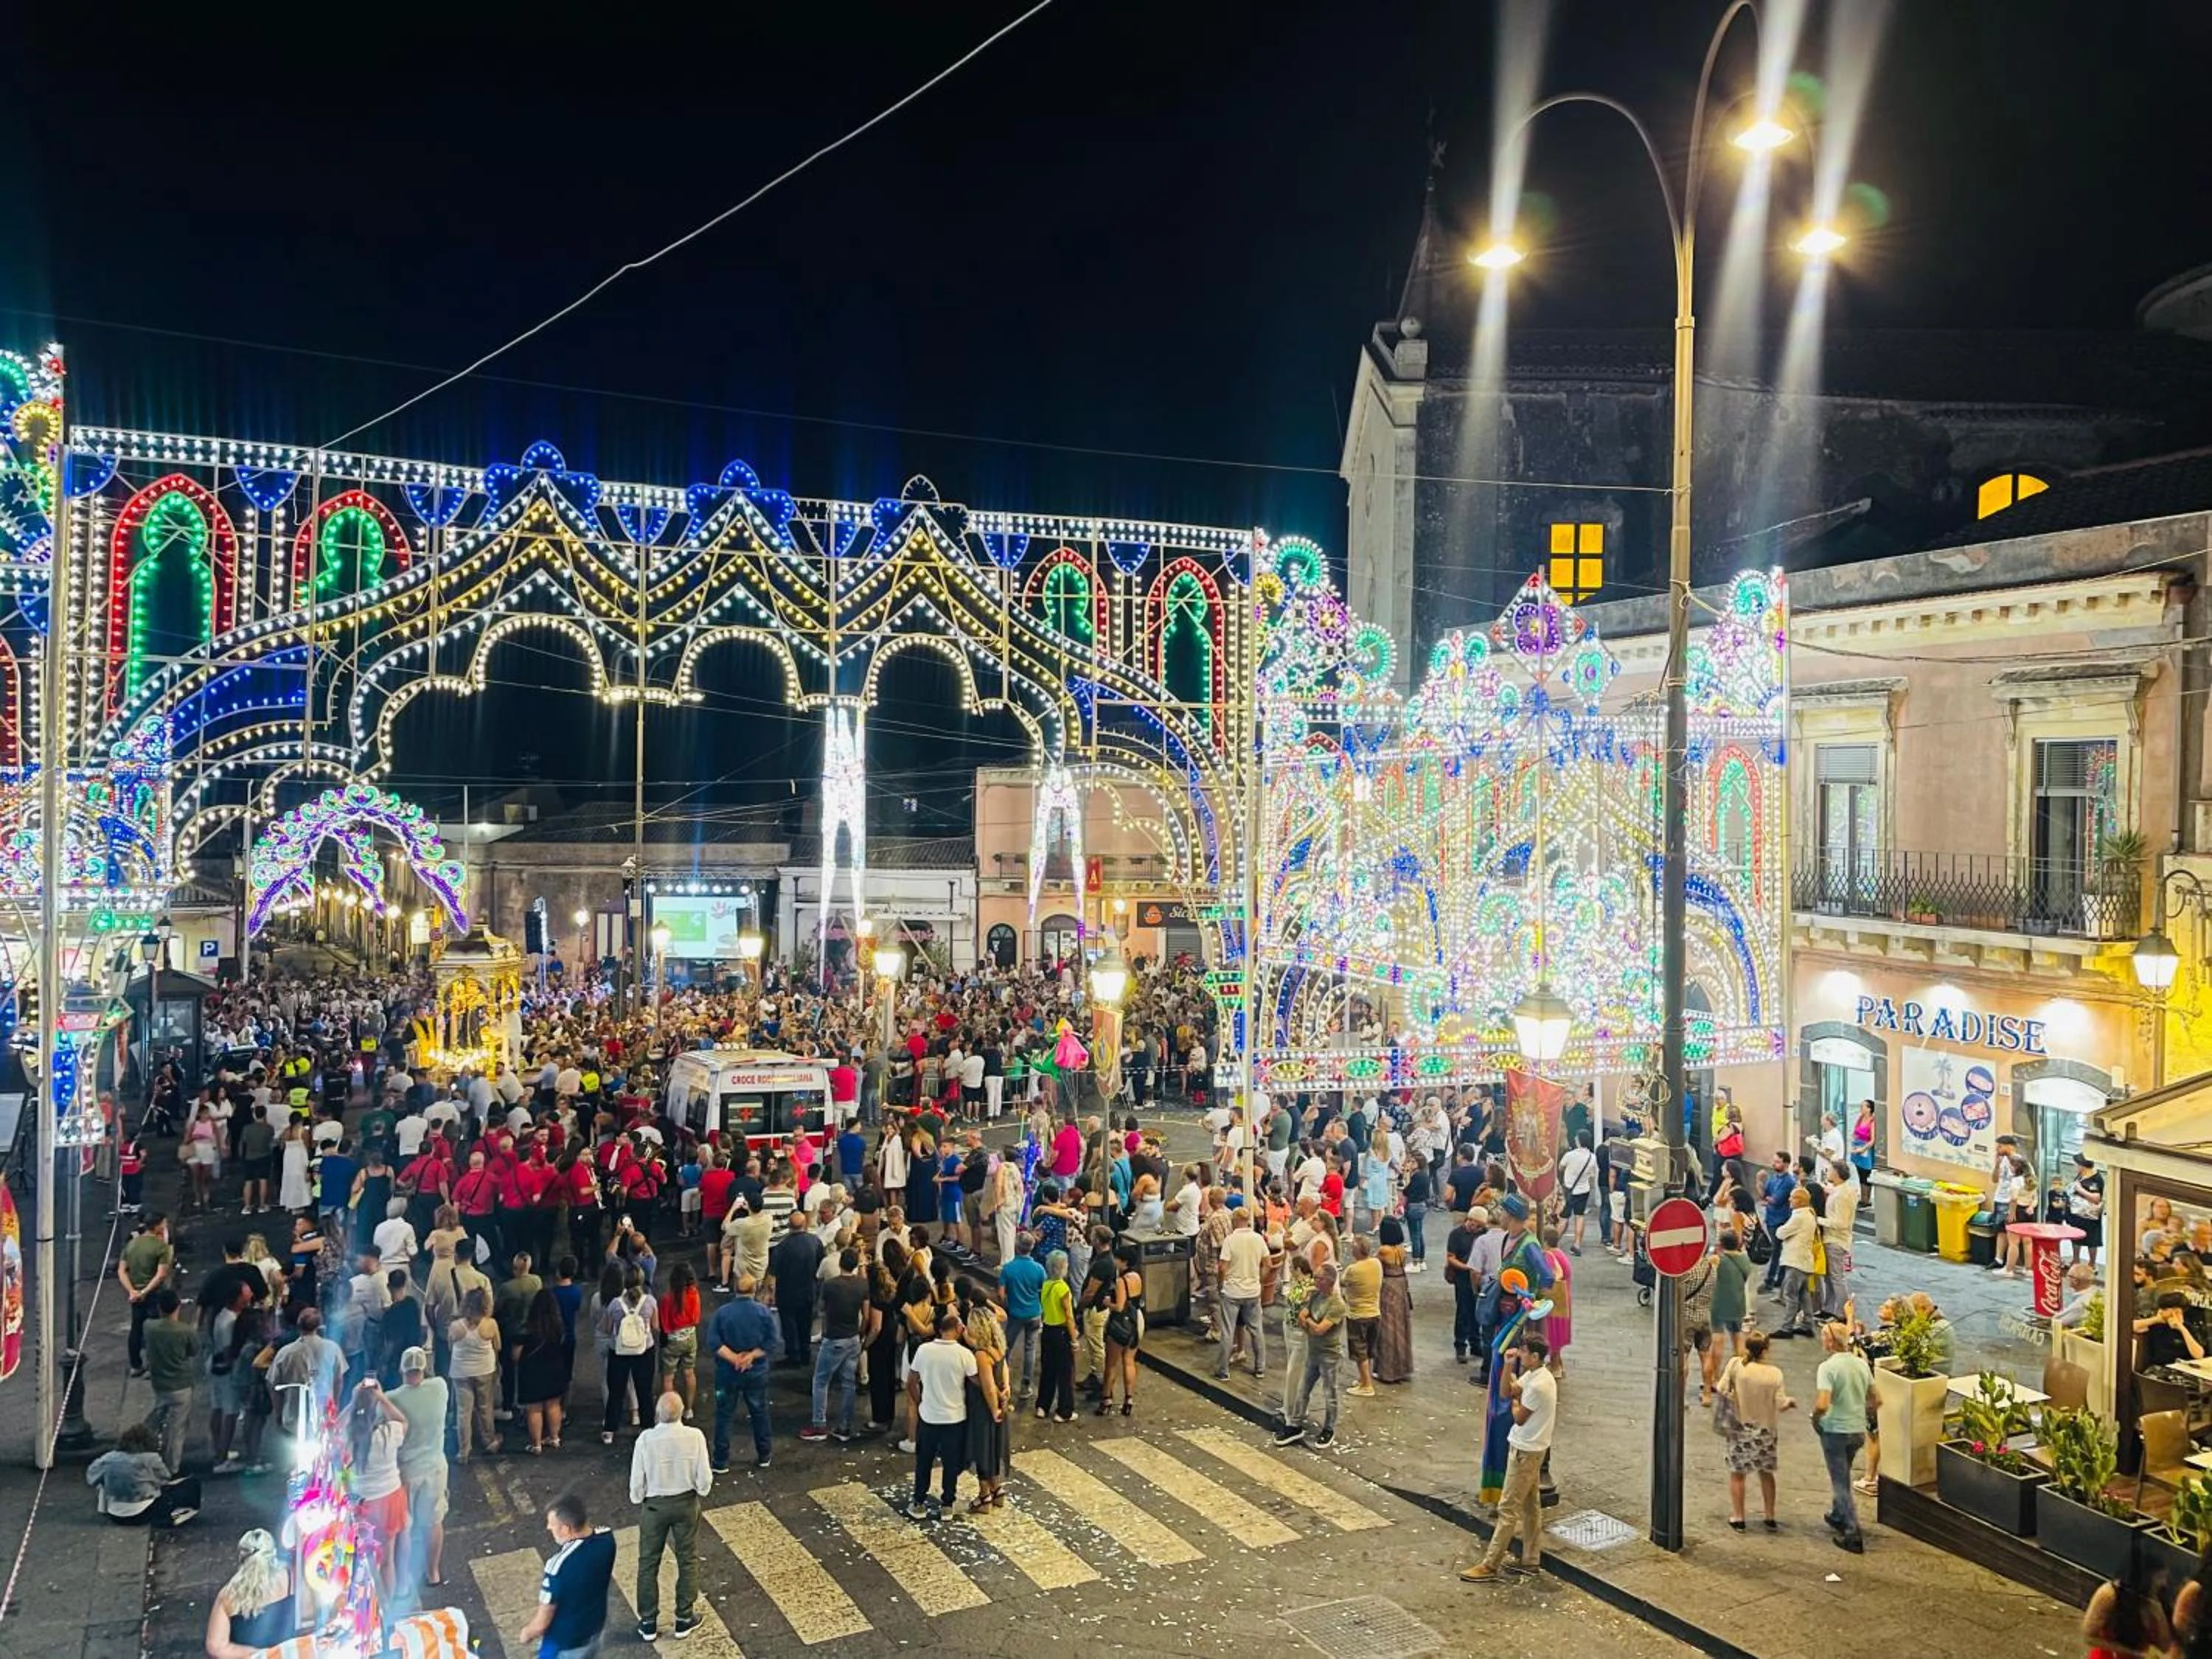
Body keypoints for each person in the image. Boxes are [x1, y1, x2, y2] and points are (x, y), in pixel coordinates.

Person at [1458, 1329, 1557, 1584]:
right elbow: (1507, 1391)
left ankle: (1490, 1564)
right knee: (1531, 1506)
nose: (1521, 1354)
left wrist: (1517, 1400)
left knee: (1507, 1508)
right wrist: (1506, 1365)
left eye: (1524, 1352)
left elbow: (1518, 1416)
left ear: (1534, 1356)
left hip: (1526, 1450)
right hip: (1531, 1448)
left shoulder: (1539, 1384)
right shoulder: (1535, 1374)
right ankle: (1530, 1559)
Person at [628, 1392, 711, 1642]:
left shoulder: (645, 1440)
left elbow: (636, 1481)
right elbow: (705, 1479)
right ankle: (685, 1617)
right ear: (682, 1411)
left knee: (648, 1563)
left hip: (654, 1506)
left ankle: (648, 1621)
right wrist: (700, 1491)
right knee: (688, 1559)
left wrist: (639, 1497)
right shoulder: (695, 1437)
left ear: (657, 1413)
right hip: (686, 1503)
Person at [520, 1494, 616, 1659]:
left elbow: (542, 1623)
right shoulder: (607, 1540)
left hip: (565, 1643)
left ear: (565, 1529)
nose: (549, 1528)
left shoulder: (558, 1566)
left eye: (551, 1524)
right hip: (594, 1630)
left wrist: (527, 1633)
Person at [1717, 1329, 1793, 1530]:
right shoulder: (1775, 1374)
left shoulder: (1735, 1365)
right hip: (1765, 1430)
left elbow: (1721, 1388)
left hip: (1740, 1427)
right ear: (1766, 1350)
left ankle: (1738, 1516)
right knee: (1766, 1473)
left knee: (1737, 1474)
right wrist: (1790, 1402)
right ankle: (1770, 1515)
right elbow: (1781, 1403)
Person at [907, 1308, 978, 1521]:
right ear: (958, 1329)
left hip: (929, 1415)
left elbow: (912, 1381)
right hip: (955, 1417)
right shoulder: (965, 1355)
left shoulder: (924, 1351)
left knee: (924, 1461)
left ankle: (919, 1501)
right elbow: (977, 1382)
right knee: (951, 1462)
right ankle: (947, 1503)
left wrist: (921, 1402)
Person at [1813, 1320, 1877, 1553]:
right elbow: (1876, 1399)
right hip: (1857, 1430)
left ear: (1829, 1341)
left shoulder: (1828, 1368)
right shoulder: (1861, 1364)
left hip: (1835, 1429)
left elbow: (1823, 1403)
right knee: (1844, 1471)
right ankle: (1838, 1513)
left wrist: (1816, 1417)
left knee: (1840, 1481)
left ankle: (1852, 1532)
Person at [391, 1347, 451, 1590]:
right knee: (433, 1521)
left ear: (402, 1369)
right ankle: (433, 1572)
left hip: (406, 1470)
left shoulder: (393, 1397)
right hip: (435, 1467)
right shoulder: (439, 1388)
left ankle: (403, 1581)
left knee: (403, 1527)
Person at [707, 1273, 777, 1472]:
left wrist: (734, 1359)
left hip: (727, 1374)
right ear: (754, 1290)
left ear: (735, 1289)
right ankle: (764, 1454)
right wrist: (750, 1357)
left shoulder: (722, 1313)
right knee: (760, 1412)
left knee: (724, 1415)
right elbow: (771, 1342)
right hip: (756, 1373)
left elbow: (714, 1343)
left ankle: (720, 1461)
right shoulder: (764, 1313)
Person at [1275, 1260, 1348, 1450]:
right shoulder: (1315, 1295)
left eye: (1319, 1278)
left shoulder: (1338, 1304)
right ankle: (1295, 1425)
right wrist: (1309, 1323)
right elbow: (1302, 1317)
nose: (1315, 1280)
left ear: (1329, 1282)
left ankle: (1329, 1429)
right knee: (1302, 1390)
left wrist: (1308, 1322)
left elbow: (1319, 1329)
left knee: (1329, 1393)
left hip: (1329, 1355)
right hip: (1313, 1352)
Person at [802, 1248, 871, 1442]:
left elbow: (822, 1308)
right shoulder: (863, 1285)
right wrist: (861, 1333)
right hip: (853, 1338)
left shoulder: (831, 1286)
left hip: (834, 1338)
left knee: (821, 1380)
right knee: (849, 1383)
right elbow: (866, 1316)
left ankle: (819, 1424)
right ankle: (845, 1426)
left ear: (840, 1263)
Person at [88, 1422, 199, 1528]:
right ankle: (179, 1515)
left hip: (115, 1514)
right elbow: (165, 1479)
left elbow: (91, 1477)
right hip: (143, 1512)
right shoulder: (151, 1458)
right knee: (192, 1484)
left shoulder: (109, 1458)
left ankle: (104, 1510)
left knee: (104, 1479)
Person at [204, 1529, 294, 1659]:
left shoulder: (229, 1595)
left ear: (242, 1557)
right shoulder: (291, 1577)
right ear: (273, 1554)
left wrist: (259, 1654)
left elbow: (216, 1647)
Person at [599, 1269, 659, 1444]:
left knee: (616, 1391)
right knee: (645, 1390)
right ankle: (646, 1427)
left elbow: (606, 1328)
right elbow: (656, 1326)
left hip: (619, 1351)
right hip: (644, 1350)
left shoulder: (615, 1304)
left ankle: (610, 1430)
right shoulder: (650, 1301)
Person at [142, 1290, 198, 1472]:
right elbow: (193, 1350)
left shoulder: (149, 1327)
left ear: (159, 1308)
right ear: (178, 1306)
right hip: (181, 1384)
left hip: (160, 1383)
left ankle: (142, 1446)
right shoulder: (184, 1330)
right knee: (177, 1429)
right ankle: (171, 1467)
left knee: (157, 1416)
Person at [447, 1284, 501, 1462]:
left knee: (464, 1411)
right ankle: (489, 1440)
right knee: (485, 1407)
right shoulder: (491, 1324)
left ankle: (463, 1450)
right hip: (485, 1369)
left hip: (461, 1371)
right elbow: (497, 1346)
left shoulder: (455, 1327)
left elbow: (450, 1347)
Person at [1216, 1208, 1269, 1381]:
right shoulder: (1258, 1239)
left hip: (1232, 1291)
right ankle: (1260, 1368)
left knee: (1227, 1331)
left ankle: (1223, 1371)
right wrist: (1259, 1281)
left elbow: (1222, 1267)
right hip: (1252, 1291)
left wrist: (1221, 1284)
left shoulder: (1230, 1240)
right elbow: (1268, 1264)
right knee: (1257, 1331)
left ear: (1235, 1220)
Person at [119, 1214, 175, 1377]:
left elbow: (121, 1270)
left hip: (135, 1294)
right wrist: (145, 1291)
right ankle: (153, 1366)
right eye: (164, 1223)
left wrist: (132, 1291)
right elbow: (161, 1274)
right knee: (154, 1330)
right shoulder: (161, 1247)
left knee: (136, 1328)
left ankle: (135, 1365)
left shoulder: (131, 1245)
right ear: (157, 1226)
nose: (165, 1226)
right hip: (154, 1294)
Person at [1097, 1241, 1145, 1416]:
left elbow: (1119, 1306)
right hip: (1137, 1321)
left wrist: (1108, 1303)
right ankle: (1129, 1399)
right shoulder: (1137, 1277)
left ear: (1123, 1262)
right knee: (1129, 1361)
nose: (1114, 1261)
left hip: (1120, 1324)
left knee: (1111, 1364)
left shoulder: (1121, 1281)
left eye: (1116, 1259)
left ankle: (1106, 1400)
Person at [1037, 1249, 1077, 1421]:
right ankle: (1064, 1411)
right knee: (1065, 1373)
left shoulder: (1046, 1285)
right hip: (1061, 1333)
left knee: (1047, 1370)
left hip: (1047, 1330)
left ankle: (1042, 1406)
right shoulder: (1063, 1289)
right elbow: (1068, 1316)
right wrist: (1074, 1338)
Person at [1774, 1186, 1820, 1339]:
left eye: (1792, 1198)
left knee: (1790, 1295)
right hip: (1804, 1261)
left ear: (1799, 1201)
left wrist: (1781, 1229)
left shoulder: (1799, 1217)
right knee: (1804, 1294)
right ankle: (1808, 1324)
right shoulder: (1809, 1215)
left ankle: (1787, 1327)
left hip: (1795, 1261)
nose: (1789, 1200)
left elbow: (1780, 1233)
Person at [2136, 1290, 2205, 1368]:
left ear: (2177, 1312)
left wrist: (2181, 1328)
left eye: (2165, 1309)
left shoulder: (2188, 1327)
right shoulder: (2156, 1325)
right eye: (2161, 1309)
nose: (2161, 1311)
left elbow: (2199, 1355)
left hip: (2184, 1370)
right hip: (2160, 1369)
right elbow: (2131, 1327)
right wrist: (2156, 1319)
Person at [1557, 1133, 1599, 1255]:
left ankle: (1554, 1243)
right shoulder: (1592, 1157)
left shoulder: (1570, 1155)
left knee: (1564, 1217)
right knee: (1579, 1216)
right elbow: (1593, 1174)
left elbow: (1560, 1167)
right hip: (1583, 1190)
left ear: (1579, 1141)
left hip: (1569, 1190)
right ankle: (1577, 1245)